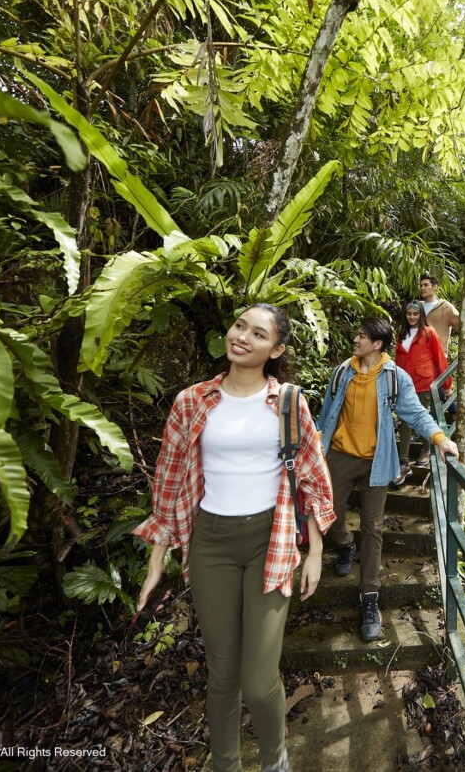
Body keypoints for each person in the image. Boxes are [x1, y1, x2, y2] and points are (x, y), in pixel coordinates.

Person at [133, 304, 335, 772]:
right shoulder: (192, 401)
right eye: (240, 326)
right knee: (222, 674)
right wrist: (155, 562)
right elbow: (168, 478)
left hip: (272, 539)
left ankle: (273, 758)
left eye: (258, 334)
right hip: (210, 543)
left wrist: (316, 552)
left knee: (259, 681)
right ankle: (225, 764)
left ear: (276, 349)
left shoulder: (288, 403)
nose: (242, 337)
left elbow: (312, 478)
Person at [315, 317, 459, 641]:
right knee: (331, 511)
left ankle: (369, 597)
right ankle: (345, 546)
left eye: (362, 336)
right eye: (357, 334)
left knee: (373, 526)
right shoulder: (342, 372)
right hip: (340, 454)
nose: (356, 339)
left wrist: (439, 438)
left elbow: (415, 413)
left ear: (377, 344)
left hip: (378, 460)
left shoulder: (395, 377)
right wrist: (314, 442)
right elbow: (326, 412)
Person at [394, 301, 449, 483]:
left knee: (420, 418)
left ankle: (426, 449)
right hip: (405, 384)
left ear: (420, 315)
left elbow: (440, 358)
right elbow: (397, 361)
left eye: (415, 314)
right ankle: (403, 460)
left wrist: (446, 384)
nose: (412, 317)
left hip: (424, 382)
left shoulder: (428, 332)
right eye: (409, 314)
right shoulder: (401, 334)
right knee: (405, 420)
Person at [419, 272, 465, 350]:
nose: (422, 288)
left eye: (426, 285)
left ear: (435, 287)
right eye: (421, 286)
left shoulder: (445, 307)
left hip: (437, 355)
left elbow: (460, 323)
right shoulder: (417, 307)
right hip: (418, 354)